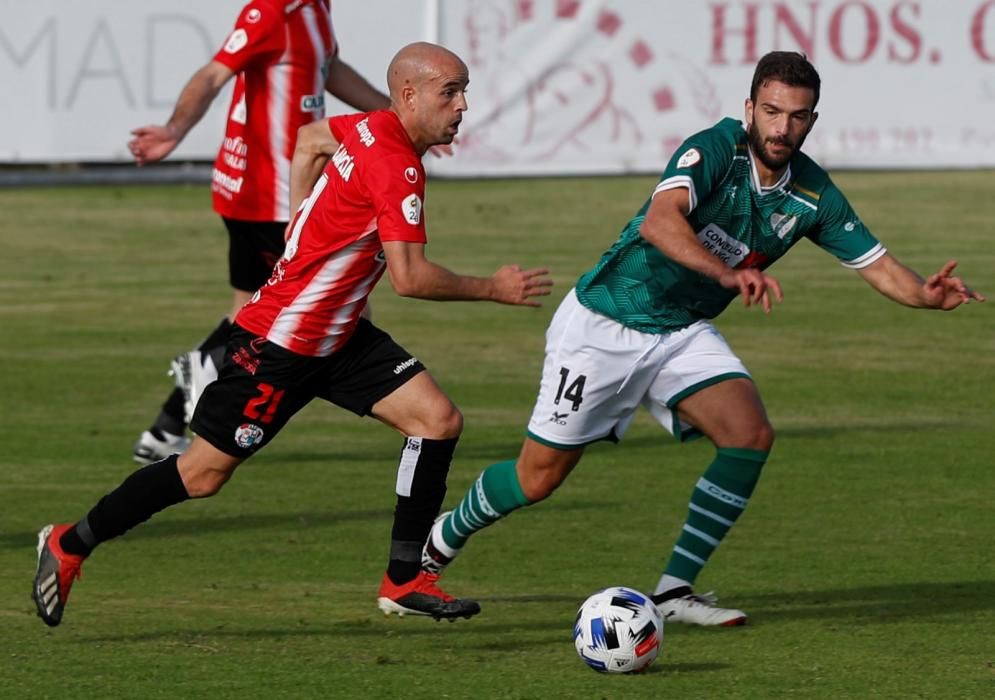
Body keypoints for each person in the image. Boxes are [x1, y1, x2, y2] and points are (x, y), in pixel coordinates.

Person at [419, 51, 985, 627]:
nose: (781, 127)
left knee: (749, 433)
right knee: (536, 478)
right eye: (771, 111)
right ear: (749, 109)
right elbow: (659, 221)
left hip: (679, 333)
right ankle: (439, 540)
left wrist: (925, 295)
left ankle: (672, 591)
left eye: (797, 116)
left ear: (812, 120)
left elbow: (881, 267)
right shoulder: (716, 147)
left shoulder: (812, 194)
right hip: (603, 326)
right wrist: (726, 274)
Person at [33, 42, 553, 628]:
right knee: (201, 475)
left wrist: (298, 225)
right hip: (280, 344)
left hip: (341, 334)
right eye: (450, 92)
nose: (463, 106)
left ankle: (404, 578)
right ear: (409, 96)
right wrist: (493, 288)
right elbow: (409, 278)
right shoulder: (397, 164)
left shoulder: (370, 126)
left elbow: (309, 138)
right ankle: (69, 545)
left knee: (437, 421)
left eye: (463, 91)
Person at [128, 0, 392, 466]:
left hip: (265, 193)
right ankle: (215, 382)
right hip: (271, 195)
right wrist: (174, 130)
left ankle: (167, 428)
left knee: (250, 309)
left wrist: (392, 117)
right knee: (340, 306)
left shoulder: (316, 8)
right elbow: (213, 74)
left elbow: (328, 68)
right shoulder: (271, 10)